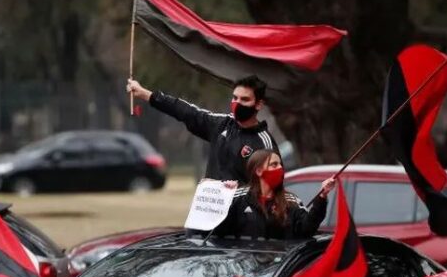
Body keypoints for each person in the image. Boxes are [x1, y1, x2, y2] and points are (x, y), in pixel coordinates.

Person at [127, 75, 278, 184]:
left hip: (242, 223)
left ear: (258, 104)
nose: (237, 103)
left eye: (244, 100)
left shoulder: (264, 143)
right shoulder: (221, 125)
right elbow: (187, 111)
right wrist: (146, 94)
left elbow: (269, 188)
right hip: (209, 216)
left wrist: (236, 191)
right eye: (234, 98)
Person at [213, 149, 335, 240]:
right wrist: (223, 196)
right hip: (244, 267)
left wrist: (322, 197)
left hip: (277, 269)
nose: (280, 168)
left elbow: (307, 228)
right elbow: (216, 230)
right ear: (259, 171)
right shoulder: (239, 199)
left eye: (280, 164)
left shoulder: (291, 201)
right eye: (274, 164)